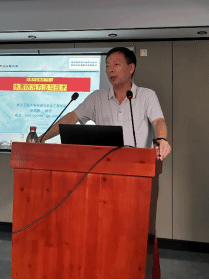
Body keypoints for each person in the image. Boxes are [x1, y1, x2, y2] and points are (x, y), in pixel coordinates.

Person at [40, 46, 171, 278]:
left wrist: (162, 140)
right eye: (107, 65)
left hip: (139, 177)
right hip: (101, 177)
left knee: (137, 232)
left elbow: (158, 121)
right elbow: (71, 118)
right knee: (102, 229)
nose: (110, 69)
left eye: (116, 64)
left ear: (131, 68)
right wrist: (42, 138)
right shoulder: (97, 97)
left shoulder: (146, 95)